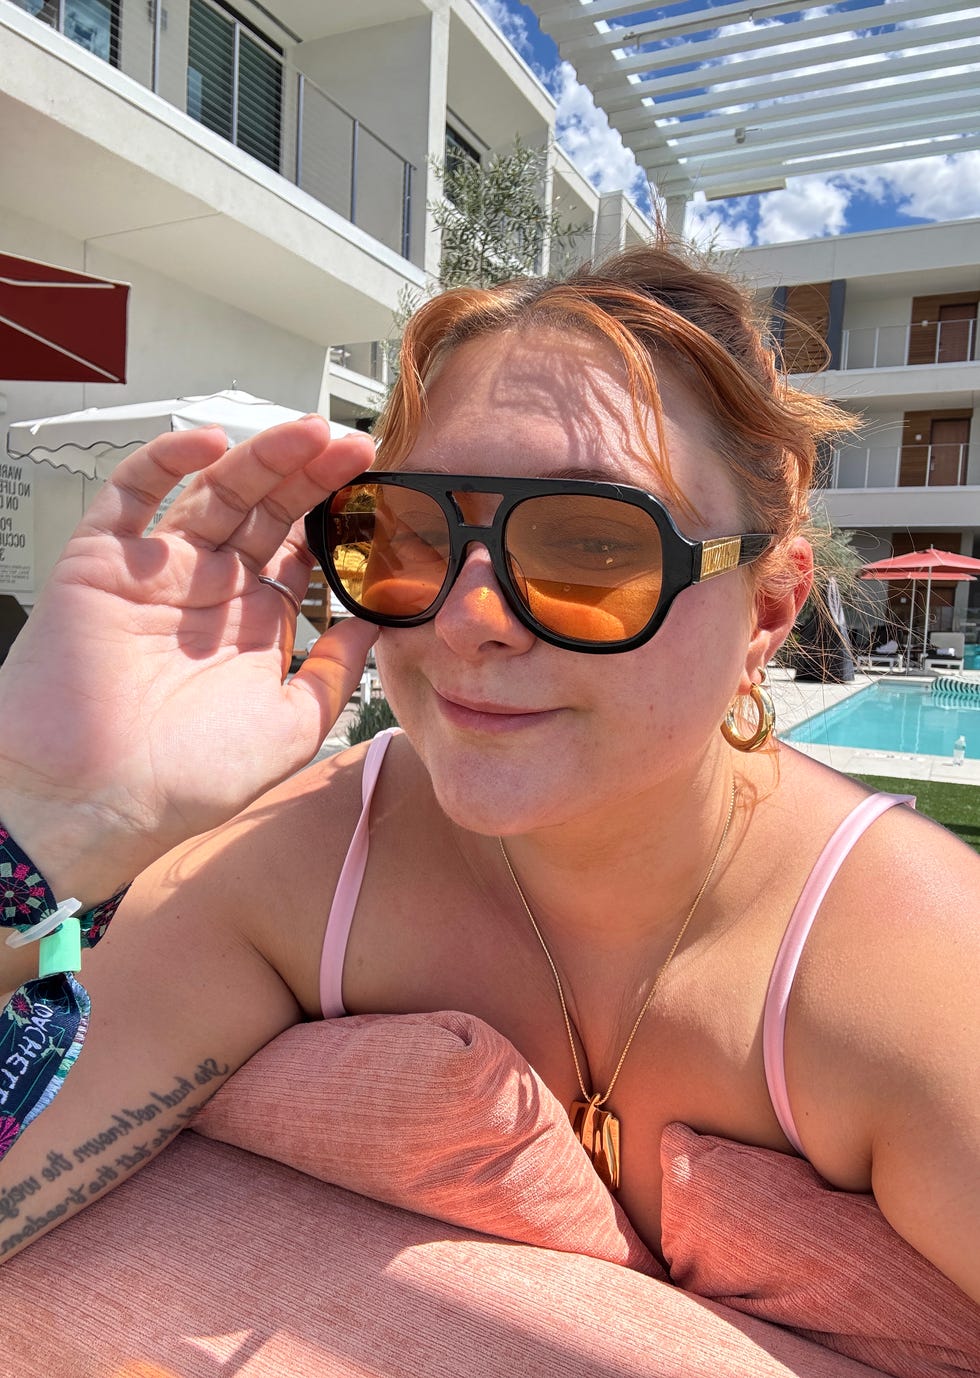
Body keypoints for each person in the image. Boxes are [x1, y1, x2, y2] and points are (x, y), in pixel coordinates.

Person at [0, 244, 977, 1311]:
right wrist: (51, 816)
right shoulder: (312, 859)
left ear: (767, 613)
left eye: (595, 545)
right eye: (413, 532)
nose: (467, 619)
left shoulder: (915, 968)